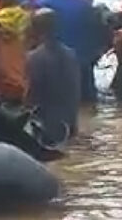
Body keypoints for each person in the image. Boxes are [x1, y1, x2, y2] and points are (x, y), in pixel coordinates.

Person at [37, 0, 106, 102]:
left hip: (49, 66)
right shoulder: (85, 4)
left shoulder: (40, 1)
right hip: (81, 65)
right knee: (87, 106)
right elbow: (99, 36)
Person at [26, 8, 81, 144]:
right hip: (68, 119)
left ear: (35, 29)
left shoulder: (34, 57)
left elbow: (32, 92)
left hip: (46, 123)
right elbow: (75, 90)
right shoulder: (70, 54)